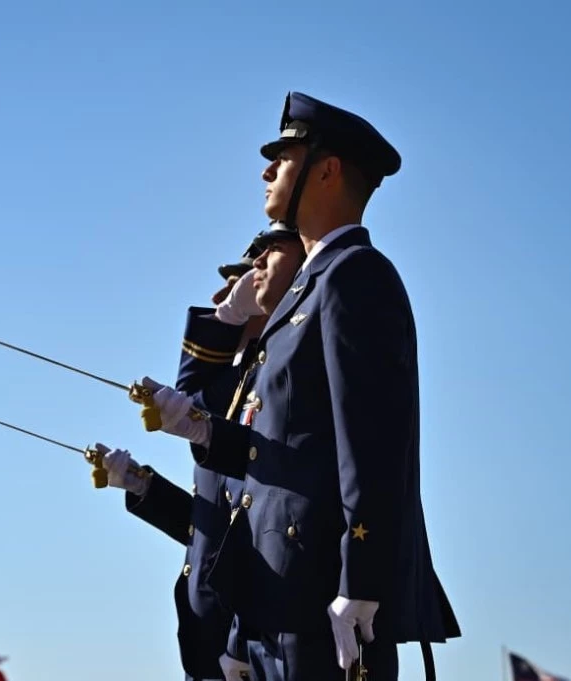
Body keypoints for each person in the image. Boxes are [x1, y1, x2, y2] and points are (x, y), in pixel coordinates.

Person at [137, 92, 461, 681]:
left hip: (324, 602)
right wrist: (202, 429)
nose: (268, 172)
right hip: (276, 602)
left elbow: (373, 446)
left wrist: (360, 583)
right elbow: (281, 456)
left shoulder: (354, 274)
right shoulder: (306, 292)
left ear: (327, 170)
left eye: (283, 158)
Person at [96, 224, 305, 681]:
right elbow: (208, 527)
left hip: (249, 637)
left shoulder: (268, 382)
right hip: (214, 636)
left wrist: (242, 640)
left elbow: (264, 521)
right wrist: (144, 487)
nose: (218, 298)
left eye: (234, 284)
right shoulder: (238, 383)